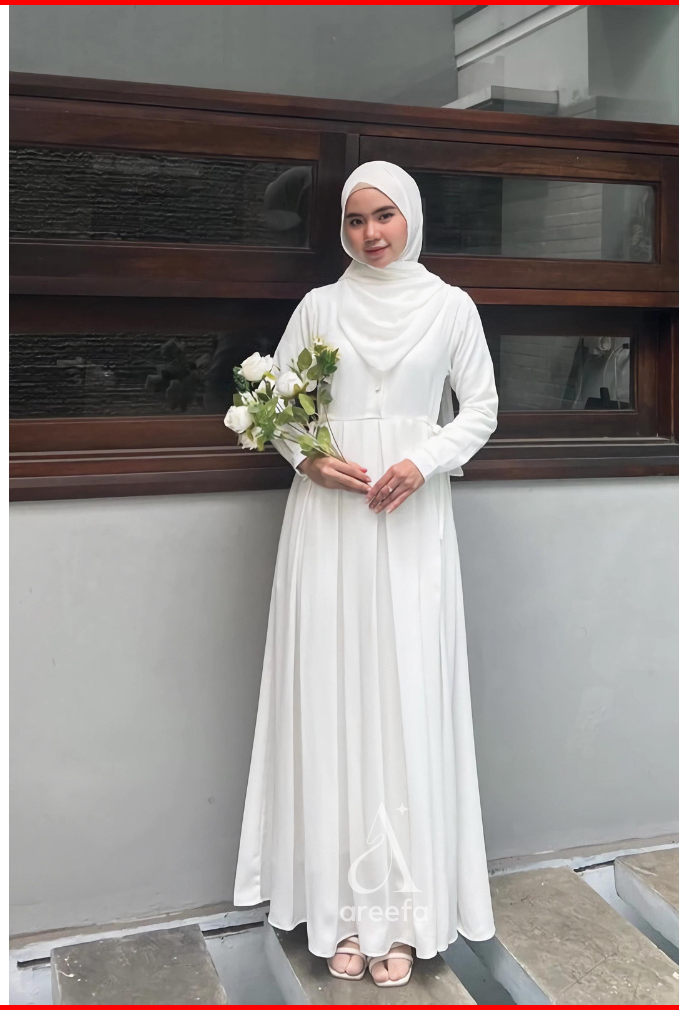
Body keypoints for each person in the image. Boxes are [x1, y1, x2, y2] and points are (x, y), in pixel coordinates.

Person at [233, 161, 499, 988]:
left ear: (410, 216)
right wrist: (308, 458)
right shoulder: (320, 307)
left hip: (413, 521)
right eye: (355, 220)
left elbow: (482, 408)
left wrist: (423, 459)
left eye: (384, 215)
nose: (371, 234)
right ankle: (342, 913)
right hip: (331, 523)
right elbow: (282, 410)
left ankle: (405, 919)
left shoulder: (451, 307)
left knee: (406, 694)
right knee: (335, 692)